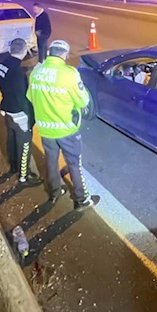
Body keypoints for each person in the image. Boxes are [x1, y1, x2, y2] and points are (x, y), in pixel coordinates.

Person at [27, 40, 98, 211]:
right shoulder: (69, 73)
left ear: (50, 52)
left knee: (51, 161)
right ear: (64, 54)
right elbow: (82, 101)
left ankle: (54, 192)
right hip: (66, 129)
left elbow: (30, 97)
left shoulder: (36, 72)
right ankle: (82, 199)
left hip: (45, 129)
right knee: (74, 163)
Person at [0, 38, 43, 186]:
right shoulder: (17, 72)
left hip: (7, 108)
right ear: (23, 51)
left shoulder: (2, 65)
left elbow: (5, 87)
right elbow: (21, 95)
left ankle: (13, 167)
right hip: (19, 113)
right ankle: (23, 176)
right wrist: (29, 117)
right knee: (24, 144)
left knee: (11, 139)